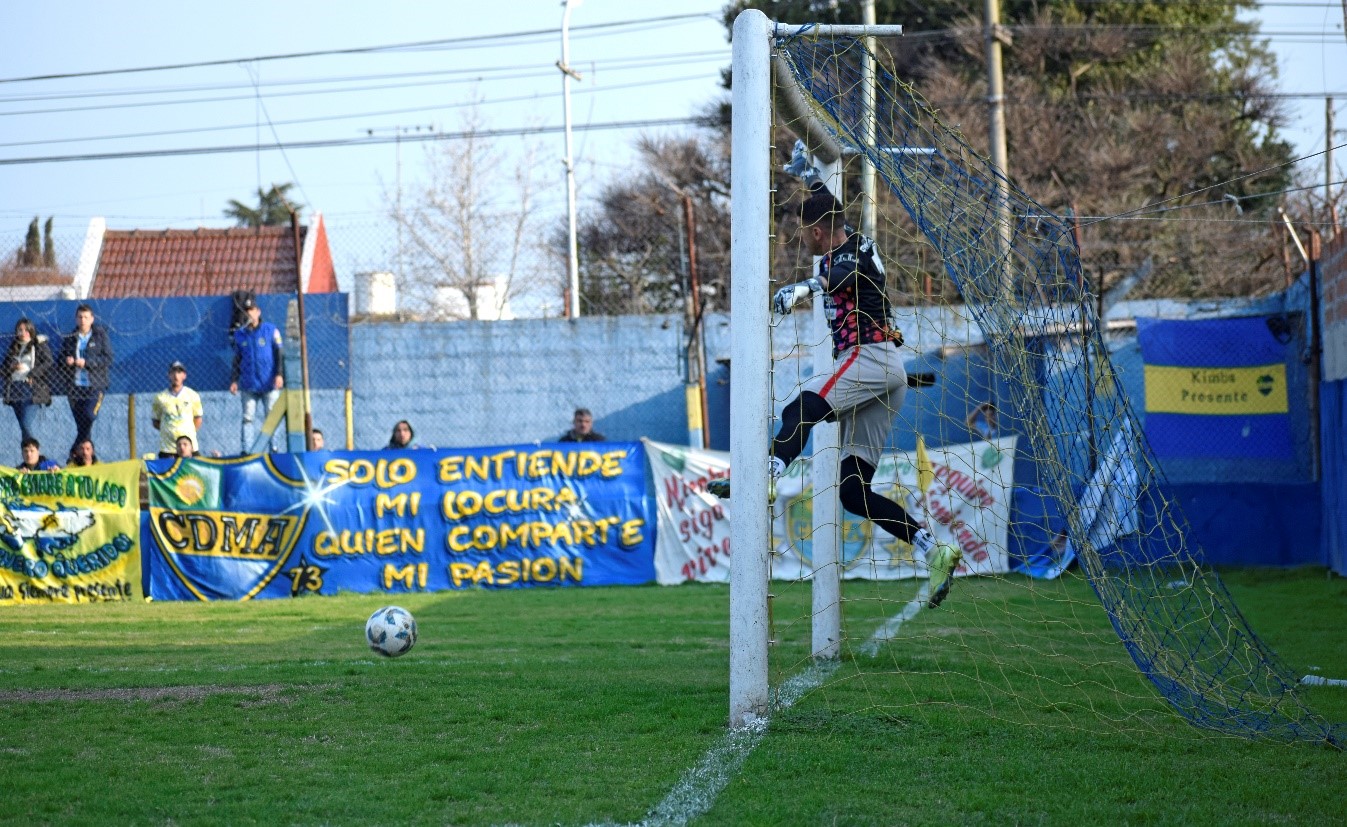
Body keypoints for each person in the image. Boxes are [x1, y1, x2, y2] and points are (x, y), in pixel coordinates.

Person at [707, 187, 963, 608]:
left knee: (800, 407)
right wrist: (809, 173)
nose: (801, 238)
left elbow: (841, 276)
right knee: (852, 492)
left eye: (804, 230)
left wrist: (805, 288)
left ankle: (767, 476)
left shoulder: (853, 249)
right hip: (882, 372)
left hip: (870, 357)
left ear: (820, 230)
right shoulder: (841, 250)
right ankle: (933, 549)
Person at [229, 295, 283, 454]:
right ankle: (248, 451)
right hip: (248, 384)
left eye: (252, 310)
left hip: (269, 383)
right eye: (246, 311)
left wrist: (279, 374)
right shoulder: (240, 335)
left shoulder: (271, 330)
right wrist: (234, 380)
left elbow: (279, 352)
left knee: (272, 417)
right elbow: (237, 359)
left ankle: (274, 449)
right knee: (247, 419)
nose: (249, 314)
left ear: (258, 312)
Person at [59, 304, 113, 454]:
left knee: (89, 416)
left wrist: (87, 363)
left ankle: (73, 453)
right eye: (80, 317)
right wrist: (67, 361)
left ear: (92, 319)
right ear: (76, 319)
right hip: (75, 388)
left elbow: (108, 359)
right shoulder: (70, 338)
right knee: (82, 427)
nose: (83, 320)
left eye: (86, 317)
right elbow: (60, 360)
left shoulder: (100, 336)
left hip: (95, 386)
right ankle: (85, 459)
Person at [3, 318, 55, 444]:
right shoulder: (13, 347)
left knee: (26, 424)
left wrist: (32, 374)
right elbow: (3, 369)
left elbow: (48, 362)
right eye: (20, 330)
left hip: (31, 388)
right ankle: (28, 456)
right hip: (15, 388)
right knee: (23, 426)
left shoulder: (39, 344)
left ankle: (33, 452)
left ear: (31, 330)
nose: (23, 332)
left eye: (26, 329)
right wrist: (12, 367)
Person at [151, 361, 204, 458]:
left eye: (179, 372)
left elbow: (198, 420)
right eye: (173, 372)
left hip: (189, 448)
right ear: (169, 375)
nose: (176, 376)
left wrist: (185, 432)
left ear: (184, 376)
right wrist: (169, 430)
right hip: (168, 449)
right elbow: (156, 421)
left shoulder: (193, 395)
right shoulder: (160, 397)